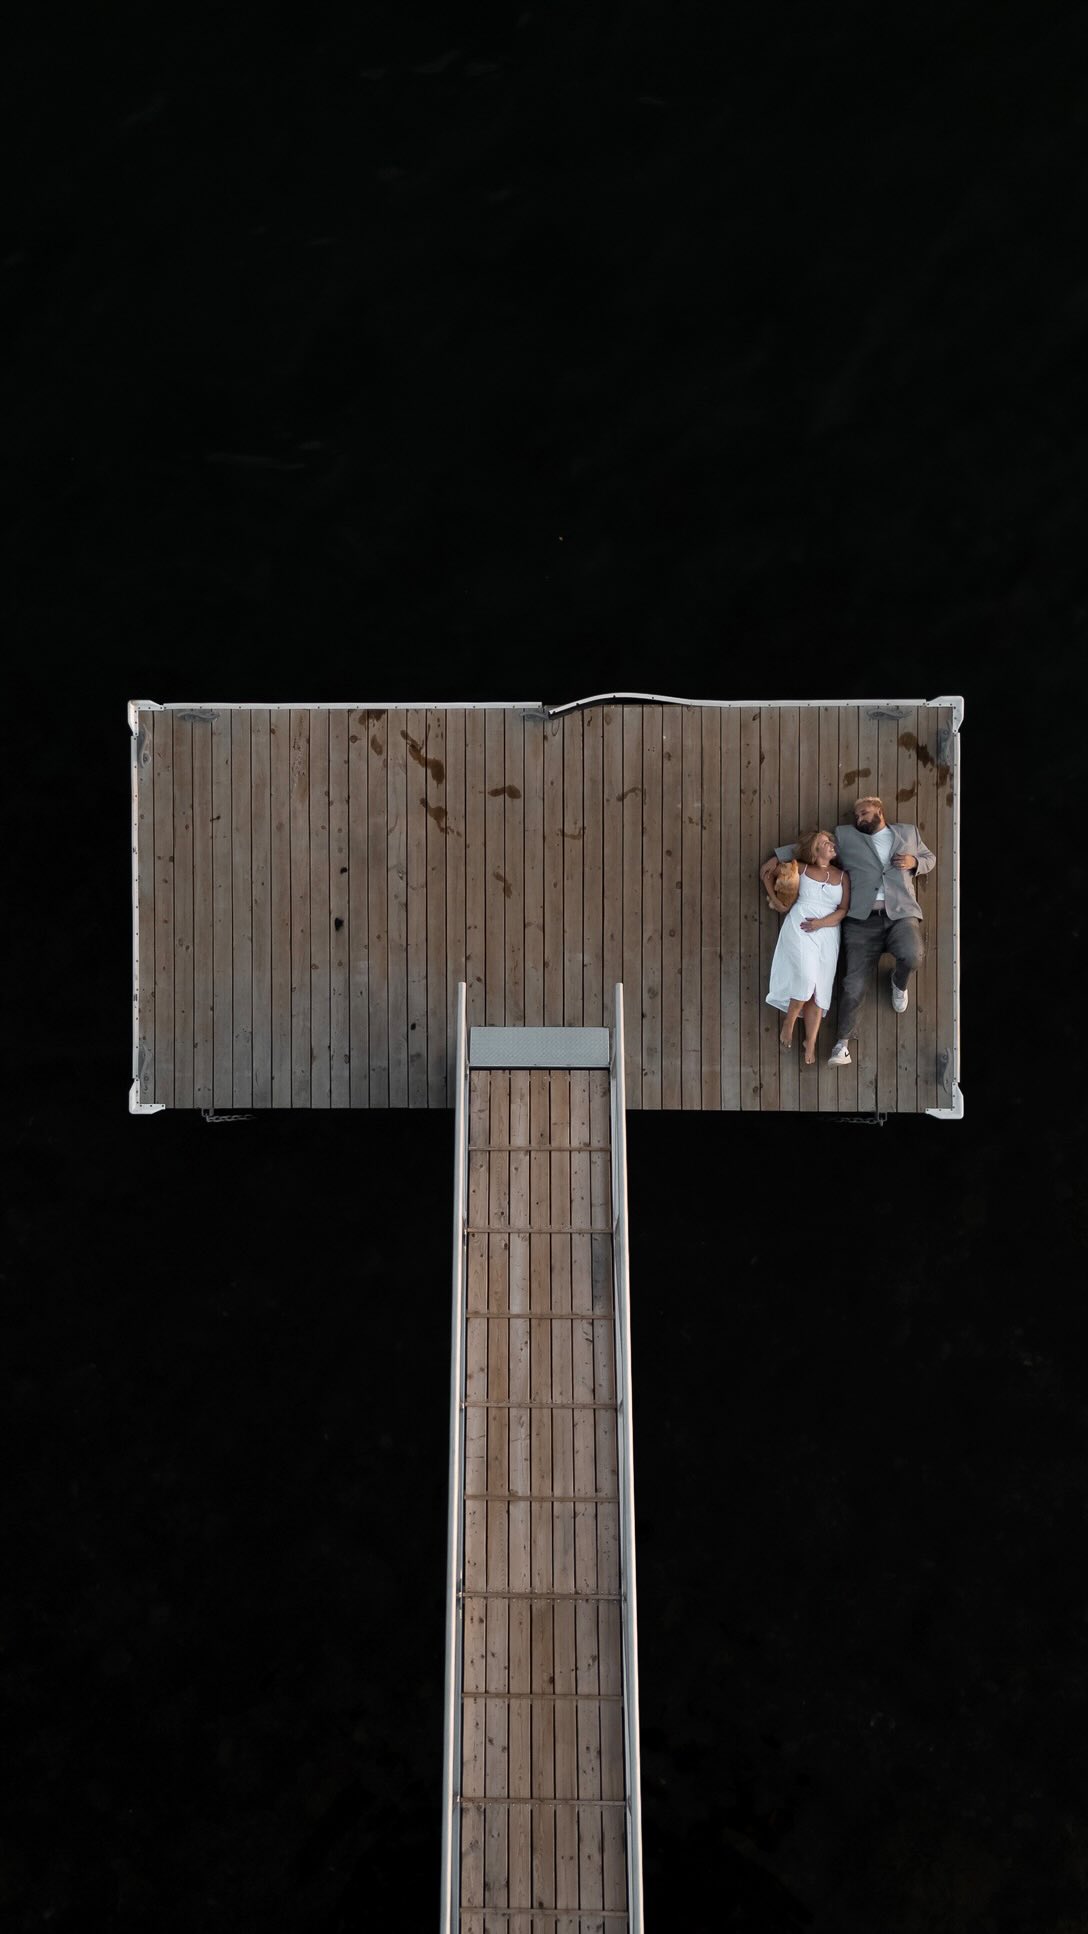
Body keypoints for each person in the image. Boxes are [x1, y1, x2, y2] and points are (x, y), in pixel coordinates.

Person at [762, 794, 936, 1068]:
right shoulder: (845, 837)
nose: (859, 818)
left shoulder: (908, 832)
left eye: (864, 813)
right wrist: (778, 856)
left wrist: (915, 862)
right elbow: (809, 847)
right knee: (853, 984)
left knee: (913, 954)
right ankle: (842, 1044)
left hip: (900, 914)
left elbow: (930, 858)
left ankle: (898, 983)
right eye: (856, 816)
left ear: (879, 810)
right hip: (861, 920)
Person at [761, 831, 850, 1065]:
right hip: (800, 927)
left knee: (820, 988)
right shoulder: (799, 868)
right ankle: (789, 1021)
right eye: (825, 842)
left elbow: (843, 910)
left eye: (831, 841)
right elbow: (767, 874)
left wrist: (821, 923)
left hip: (828, 933)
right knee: (807, 977)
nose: (831, 844)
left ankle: (810, 1041)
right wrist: (777, 902)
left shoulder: (842, 876)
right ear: (814, 849)